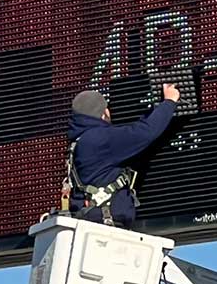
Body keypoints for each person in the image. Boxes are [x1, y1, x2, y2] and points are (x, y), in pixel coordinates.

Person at [65, 83, 181, 227]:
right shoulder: (101, 139)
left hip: (88, 223)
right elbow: (144, 132)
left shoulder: (79, 142)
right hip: (105, 226)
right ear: (103, 113)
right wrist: (169, 102)